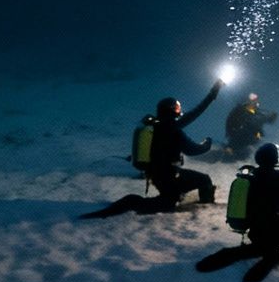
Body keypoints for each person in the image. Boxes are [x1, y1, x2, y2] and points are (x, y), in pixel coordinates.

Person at [80, 79, 222, 218]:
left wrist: (212, 95)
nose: (179, 111)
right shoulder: (171, 129)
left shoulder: (157, 126)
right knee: (198, 184)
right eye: (176, 108)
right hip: (168, 175)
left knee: (176, 194)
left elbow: (192, 115)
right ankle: (205, 208)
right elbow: (192, 150)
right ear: (171, 110)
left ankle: (174, 195)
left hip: (156, 174)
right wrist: (207, 145)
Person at [195, 140, 279, 282]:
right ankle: (277, 258)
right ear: (276, 159)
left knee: (257, 248)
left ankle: (242, 253)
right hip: (276, 232)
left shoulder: (250, 177)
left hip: (255, 233)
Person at [222, 93, 277, 160]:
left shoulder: (257, 113)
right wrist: (232, 133)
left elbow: (262, 120)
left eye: (256, 102)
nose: (254, 103)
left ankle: (267, 151)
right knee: (249, 126)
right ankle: (230, 149)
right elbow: (231, 121)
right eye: (253, 101)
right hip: (238, 133)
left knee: (256, 126)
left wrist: (271, 117)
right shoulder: (240, 110)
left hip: (251, 137)